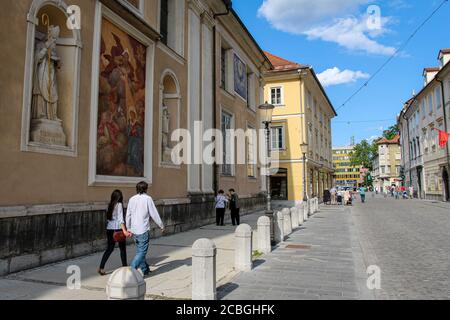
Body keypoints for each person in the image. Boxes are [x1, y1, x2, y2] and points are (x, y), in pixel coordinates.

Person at [126, 181, 165, 276]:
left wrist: (128, 228)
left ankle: (145, 269)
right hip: (143, 230)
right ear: (146, 189)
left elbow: (128, 215)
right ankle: (131, 270)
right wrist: (161, 225)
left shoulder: (132, 199)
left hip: (134, 230)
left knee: (140, 251)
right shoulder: (147, 199)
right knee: (141, 252)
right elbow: (154, 213)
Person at [98, 190, 130, 276]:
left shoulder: (110, 205)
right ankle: (125, 266)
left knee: (109, 249)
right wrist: (124, 230)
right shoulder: (119, 205)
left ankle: (101, 267)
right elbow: (120, 219)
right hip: (118, 229)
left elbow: (108, 218)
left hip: (109, 229)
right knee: (122, 248)